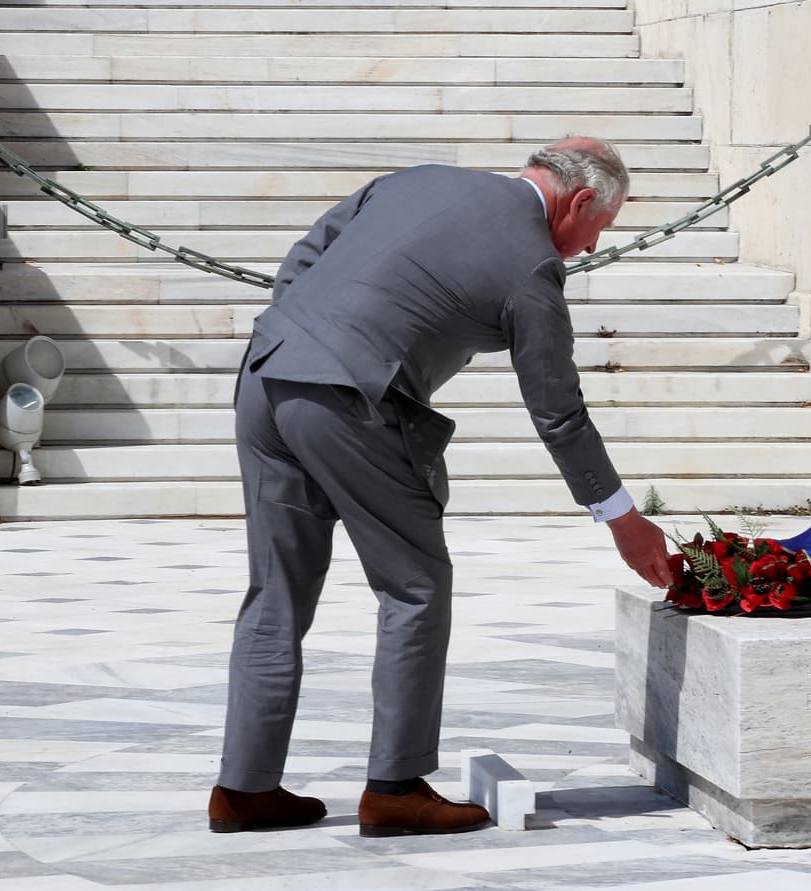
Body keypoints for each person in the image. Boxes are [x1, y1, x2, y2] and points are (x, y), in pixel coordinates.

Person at [207, 137, 674, 837]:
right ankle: (395, 787)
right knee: (415, 585)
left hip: (268, 373)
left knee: (276, 590)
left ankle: (243, 788)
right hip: (349, 400)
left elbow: (307, 254)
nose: (585, 250)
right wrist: (623, 519)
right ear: (578, 201)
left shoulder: (416, 181)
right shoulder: (532, 266)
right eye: (596, 230)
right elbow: (559, 411)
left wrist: (306, 338)